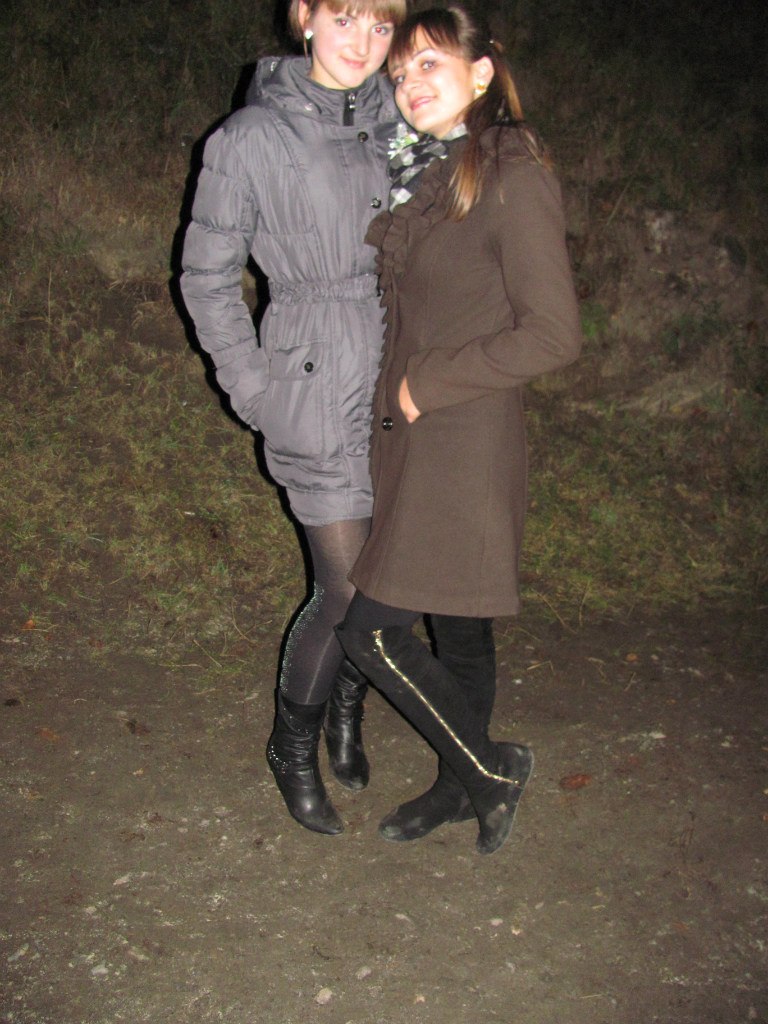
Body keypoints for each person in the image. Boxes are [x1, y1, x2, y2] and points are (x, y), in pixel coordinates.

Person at [336, 4, 583, 854]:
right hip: (418, 439)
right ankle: (460, 783)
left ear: (482, 73)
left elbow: (553, 333)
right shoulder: (434, 173)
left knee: (372, 632)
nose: (409, 83)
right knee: (460, 624)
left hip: (463, 442)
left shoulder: (510, 169)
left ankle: (490, 768)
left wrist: (424, 385)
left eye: (429, 64)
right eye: (400, 72)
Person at [180, 0, 407, 836]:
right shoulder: (249, 138)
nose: (364, 43)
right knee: (344, 586)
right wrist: (254, 388)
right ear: (304, 17)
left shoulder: (405, 124)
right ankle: (292, 744)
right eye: (346, 17)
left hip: (400, 378)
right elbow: (206, 278)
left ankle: (348, 710)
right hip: (311, 378)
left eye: (382, 26)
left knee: (391, 580)